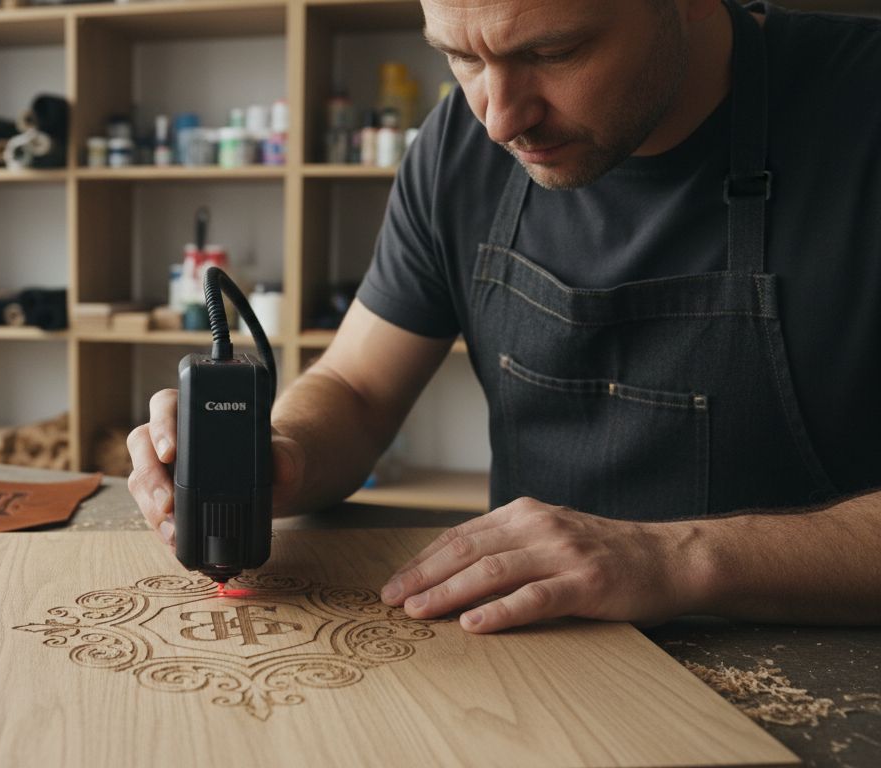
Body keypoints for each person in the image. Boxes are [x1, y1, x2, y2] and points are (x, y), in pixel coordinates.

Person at [127, 0, 881, 634]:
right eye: (459, 57)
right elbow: (357, 387)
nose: (499, 119)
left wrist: (675, 556)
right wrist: (284, 453)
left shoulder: (862, 106)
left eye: (553, 52)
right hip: (531, 654)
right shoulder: (458, 143)